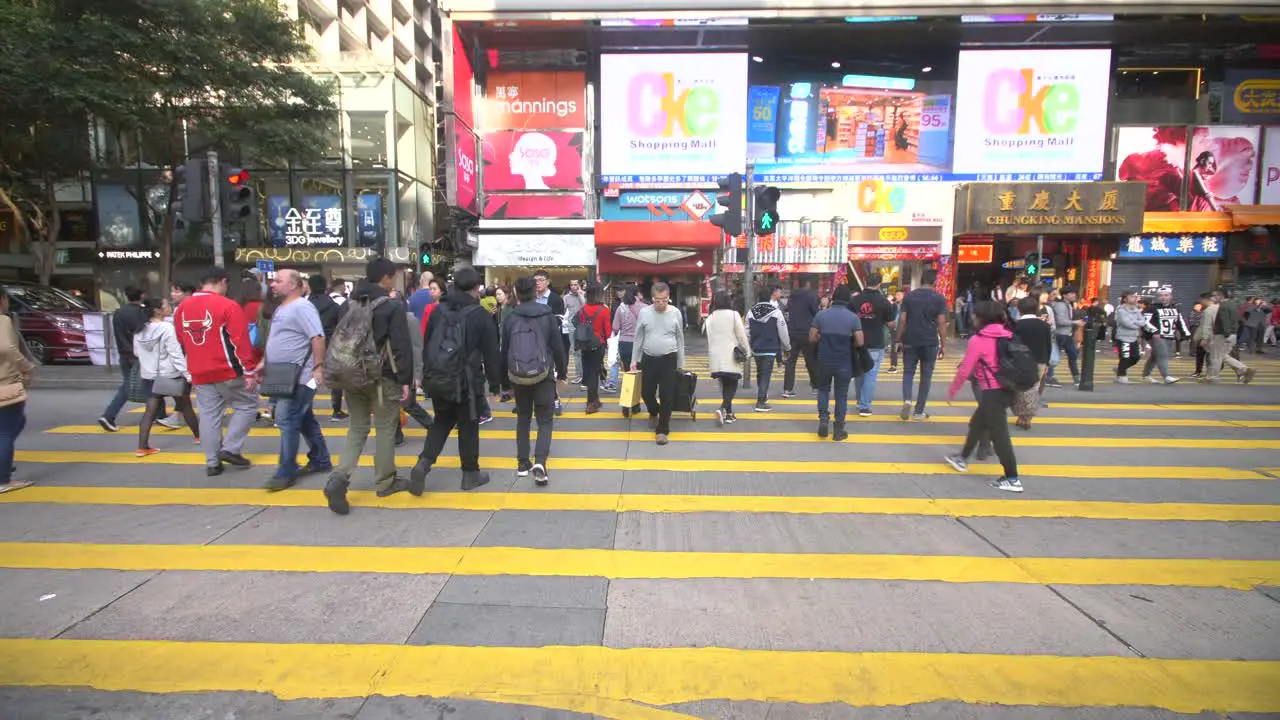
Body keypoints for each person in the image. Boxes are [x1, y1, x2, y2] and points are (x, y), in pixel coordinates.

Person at [323, 259, 415, 514]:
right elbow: (400, 347)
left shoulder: (349, 305)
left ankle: (339, 478)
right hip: (382, 378)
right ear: (386, 278)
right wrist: (406, 380)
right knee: (386, 428)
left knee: (357, 428)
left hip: (351, 376)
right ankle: (385, 481)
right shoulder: (390, 307)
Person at [410, 267, 502, 495]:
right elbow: (491, 353)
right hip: (466, 382)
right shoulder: (479, 314)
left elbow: (427, 342)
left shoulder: (438, 310)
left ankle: (423, 464)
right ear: (475, 288)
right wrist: (497, 386)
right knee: (468, 425)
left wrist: (425, 374)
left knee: (441, 421)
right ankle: (470, 474)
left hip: (439, 377)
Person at [172, 267, 259, 476]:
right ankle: (230, 448)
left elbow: (181, 340)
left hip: (198, 370)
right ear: (222, 282)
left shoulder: (182, 309)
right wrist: (249, 370)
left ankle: (212, 462)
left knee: (209, 415)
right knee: (247, 405)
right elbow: (241, 341)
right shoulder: (228, 305)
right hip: (228, 369)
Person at [257, 270, 332, 490]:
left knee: (286, 418)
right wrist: (265, 361)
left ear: (294, 285)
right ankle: (320, 459)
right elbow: (278, 339)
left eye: (278, 281)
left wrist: (318, 367)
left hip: (302, 375)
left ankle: (285, 470)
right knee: (304, 419)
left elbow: (317, 336)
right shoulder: (283, 307)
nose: (273, 284)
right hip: (285, 374)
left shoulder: (302, 306)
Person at [943, 301, 1021, 493]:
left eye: (975, 315)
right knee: (977, 424)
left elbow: (965, 370)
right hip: (1008, 389)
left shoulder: (978, 340)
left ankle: (1012, 478)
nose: (972, 317)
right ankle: (962, 458)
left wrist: (953, 390)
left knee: (1000, 435)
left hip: (991, 391)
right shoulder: (1008, 334)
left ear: (982, 318)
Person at [500, 276, 567, 485]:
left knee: (523, 417)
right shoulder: (546, 315)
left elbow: (504, 350)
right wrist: (562, 373)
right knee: (545, 420)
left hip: (519, 377)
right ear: (534, 291)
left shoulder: (511, 317)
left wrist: (504, 382)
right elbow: (557, 348)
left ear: (517, 293)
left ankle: (522, 462)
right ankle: (540, 462)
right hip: (543, 375)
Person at [133, 298, 199, 457]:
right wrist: (187, 374)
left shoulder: (140, 329)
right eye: (166, 305)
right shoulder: (167, 328)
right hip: (170, 374)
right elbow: (175, 354)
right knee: (185, 405)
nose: (169, 307)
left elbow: (136, 352)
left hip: (149, 375)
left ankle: (142, 447)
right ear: (158, 310)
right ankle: (199, 436)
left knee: (150, 411)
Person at [631, 282, 685, 446]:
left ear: (668, 297)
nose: (660, 303)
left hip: (669, 358)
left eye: (664, 300)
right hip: (649, 358)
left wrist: (681, 362)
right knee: (646, 392)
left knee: (667, 395)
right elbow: (638, 337)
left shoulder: (676, 313)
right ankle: (654, 411)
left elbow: (680, 338)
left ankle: (662, 430)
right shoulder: (644, 313)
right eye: (657, 300)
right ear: (652, 298)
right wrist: (635, 359)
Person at [810, 285, 864, 441]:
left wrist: (823, 338)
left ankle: (823, 420)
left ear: (833, 297)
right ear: (848, 299)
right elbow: (860, 342)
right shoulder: (853, 318)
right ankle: (839, 429)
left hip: (824, 360)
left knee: (823, 390)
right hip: (844, 362)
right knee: (842, 395)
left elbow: (811, 338)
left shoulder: (821, 315)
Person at [896, 271, 948, 421]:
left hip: (911, 340)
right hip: (930, 341)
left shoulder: (910, 296)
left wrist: (899, 338)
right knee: (926, 376)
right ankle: (919, 411)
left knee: (908, 372)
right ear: (934, 282)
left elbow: (903, 320)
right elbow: (941, 323)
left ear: (921, 280)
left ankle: (907, 399)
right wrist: (943, 344)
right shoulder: (938, 298)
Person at [97, 287, 149, 433]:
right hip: (138, 354)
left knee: (141, 383)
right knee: (137, 385)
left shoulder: (119, 312)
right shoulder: (142, 313)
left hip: (124, 353)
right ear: (142, 295)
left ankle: (160, 414)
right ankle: (109, 415)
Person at [0, 288, 35, 493]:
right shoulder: (2, 321)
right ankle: (3, 479)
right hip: (5, 382)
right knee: (6, 429)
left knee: (14, 424)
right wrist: (27, 367)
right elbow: (7, 348)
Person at [850, 273, 894, 417]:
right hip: (875, 342)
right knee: (871, 374)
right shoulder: (884, 301)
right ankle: (864, 406)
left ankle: (859, 401)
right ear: (879, 284)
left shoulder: (855, 300)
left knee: (859, 373)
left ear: (865, 281)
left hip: (857, 342)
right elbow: (891, 323)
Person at [703, 291, 750, 426]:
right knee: (732, 383)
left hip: (716, 357)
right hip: (731, 355)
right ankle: (723, 408)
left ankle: (728, 414)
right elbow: (741, 335)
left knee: (725, 384)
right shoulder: (734, 315)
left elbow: (710, 339)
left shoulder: (710, 317)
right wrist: (747, 351)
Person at [307, 274, 346, 420]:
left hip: (310, 344)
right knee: (335, 378)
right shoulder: (334, 305)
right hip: (331, 344)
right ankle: (336, 411)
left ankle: (307, 409)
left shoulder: (304, 305)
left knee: (309, 377)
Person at [1197, 289, 1254, 385]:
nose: (1214, 297)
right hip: (1232, 334)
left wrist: (1207, 338)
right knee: (1223, 356)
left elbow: (1221, 322)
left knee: (1216, 356)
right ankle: (1243, 369)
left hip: (1221, 335)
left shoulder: (1220, 307)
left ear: (1221, 295)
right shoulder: (1232, 305)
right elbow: (1237, 320)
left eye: (1216, 295)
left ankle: (1212, 377)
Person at [1012, 296, 1052, 431]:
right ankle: (1027, 418)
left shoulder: (1016, 325)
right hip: (1040, 360)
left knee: (1019, 389)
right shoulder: (1045, 326)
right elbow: (1048, 345)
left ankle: (1022, 415)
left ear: (1019, 309)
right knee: (1034, 388)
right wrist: (1047, 363)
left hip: (1019, 361)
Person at [747, 295, 790, 412]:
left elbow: (747, 330)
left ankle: (763, 396)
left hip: (756, 348)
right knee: (766, 374)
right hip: (770, 348)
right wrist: (787, 346)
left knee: (760, 373)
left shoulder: (751, 312)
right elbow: (783, 331)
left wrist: (748, 344)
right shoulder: (776, 312)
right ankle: (761, 401)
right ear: (769, 297)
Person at [574, 282, 612, 414]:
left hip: (585, 344)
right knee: (594, 374)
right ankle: (592, 403)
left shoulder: (583, 309)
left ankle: (594, 399)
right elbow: (608, 332)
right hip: (598, 345)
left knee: (589, 372)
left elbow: (577, 323)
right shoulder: (604, 310)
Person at [1141, 289, 1189, 385]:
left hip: (1170, 336)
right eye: (1161, 295)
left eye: (1166, 295)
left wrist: (1186, 333)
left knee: (1155, 356)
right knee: (1163, 355)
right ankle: (1166, 376)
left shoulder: (1175, 308)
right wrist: (1154, 331)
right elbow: (1144, 321)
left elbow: (1180, 321)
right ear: (1158, 297)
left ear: (1170, 296)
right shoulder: (1151, 308)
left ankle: (1146, 375)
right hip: (1156, 336)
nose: (1163, 297)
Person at [782, 279, 820, 398]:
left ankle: (787, 389)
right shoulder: (812, 296)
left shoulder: (792, 296)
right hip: (807, 332)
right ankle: (815, 386)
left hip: (792, 332)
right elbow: (816, 313)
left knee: (791, 361)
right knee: (811, 360)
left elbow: (788, 310)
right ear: (808, 283)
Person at [612, 286, 645, 417]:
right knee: (638, 375)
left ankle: (626, 406)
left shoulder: (621, 308)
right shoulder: (645, 308)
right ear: (637, 294)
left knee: (628, 374)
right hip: (640, 345)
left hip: (624, 344)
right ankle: (636, 405)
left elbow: (615, 327)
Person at [1113, 291, 1154, 384]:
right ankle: (1121, 376)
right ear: (1125, 299)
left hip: (1134, 337)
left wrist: (1136, 322)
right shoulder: (1121, 310)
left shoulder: (1136, 309)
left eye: (1135, 297)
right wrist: (1137, 324)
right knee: (1125, 357)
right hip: (1123, 337)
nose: (1135, 299)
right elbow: (1127, 323)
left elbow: (1143, 321)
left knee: (1136, 357)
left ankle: (1120, 369)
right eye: (1132, 297)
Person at [1048, 286, 1084, 386]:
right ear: (1064, 295)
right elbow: (1060, 321)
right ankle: (1049, 377)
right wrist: (1075, 322)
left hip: (1067, 334)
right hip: (1059, 334)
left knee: (1073, 355)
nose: (1074, 295)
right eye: (1071, 293)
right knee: (1054, 357)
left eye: (1074, 293)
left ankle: (1076, 378)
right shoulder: (1060, 305)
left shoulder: (1069, 305)